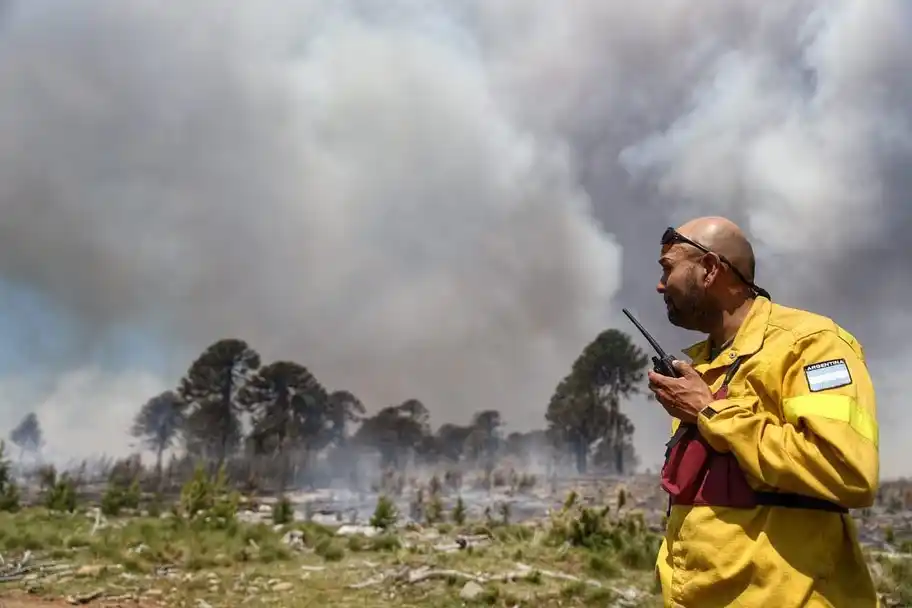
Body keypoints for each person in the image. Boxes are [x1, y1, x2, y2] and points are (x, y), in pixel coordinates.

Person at [646, 216, 880, 607]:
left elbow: (847, 471)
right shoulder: (702, 365)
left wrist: (713, 412)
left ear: (709, 269)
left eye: (668, 268)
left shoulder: (811, 346)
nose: (659, 285)